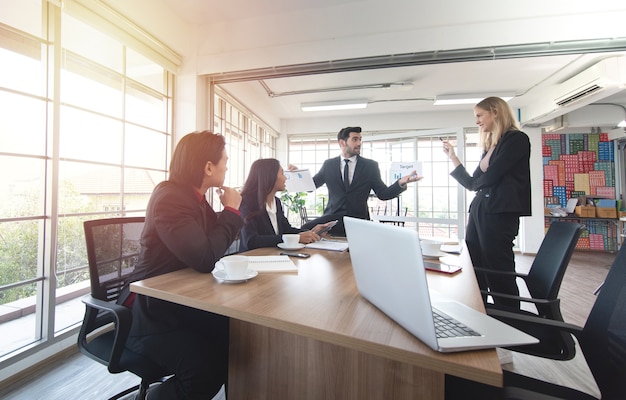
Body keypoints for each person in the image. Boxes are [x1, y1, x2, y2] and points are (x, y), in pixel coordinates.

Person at [119, 131, 242, 399]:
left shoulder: (195, 199)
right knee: (206, 368)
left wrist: (226, 212)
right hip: (149, 311)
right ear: (208, 167)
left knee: (236, 335)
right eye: (225, 160)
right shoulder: (171, 198)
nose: (227, 166)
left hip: (180, 301)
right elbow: (205, 257)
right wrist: (231, 212)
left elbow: (214, 244)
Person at [442, 96, 531, 310]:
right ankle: (479, 312)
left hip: (499, 212)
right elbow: (473, 183)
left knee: (498, 268)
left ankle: (510, 319)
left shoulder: (516, 139)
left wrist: (479, 184)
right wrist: (453, 157)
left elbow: (490, 178)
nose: (477, 121)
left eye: (480, 116)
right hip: (481, 210)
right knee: (475, 265)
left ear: (496, 112)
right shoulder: (492, 144)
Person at [301, 126, 421, 235]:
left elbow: (383, 193)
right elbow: (310, 187)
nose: (359, 143)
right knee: (303, 230)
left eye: (360, 139)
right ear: (342, 143)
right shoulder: (329, 165)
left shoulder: (370, 166)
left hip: (359, 222)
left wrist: (401, 183)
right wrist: (299, 175)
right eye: (354, 139)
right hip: (332, 221)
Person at [239, 158, 333, 251]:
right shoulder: (247, 203)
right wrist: (296, 238)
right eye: (282, 173)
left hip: (274, 257)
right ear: (270, 176)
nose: (285, 178)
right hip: (253, 260)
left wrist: (312, 232)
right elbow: (251, 241)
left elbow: (286, 230)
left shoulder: (276, 202)